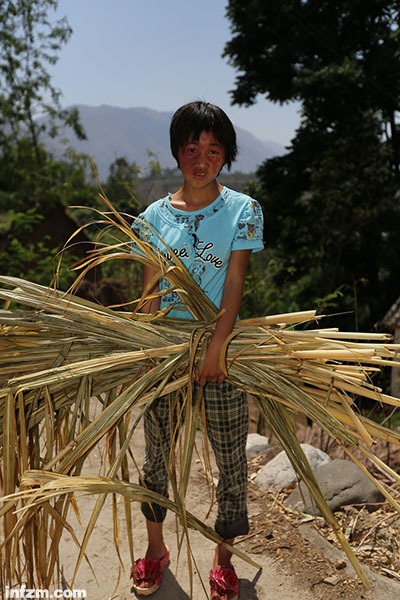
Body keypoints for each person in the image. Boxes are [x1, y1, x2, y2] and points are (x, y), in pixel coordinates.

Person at [130, 101, 264, 600]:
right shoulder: (152, 217)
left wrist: (217, 344)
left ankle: (223, 558)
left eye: (212, 149)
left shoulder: (242, 211)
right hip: (166, 352)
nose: (201, 158)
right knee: (156, 459)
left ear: (226, 154)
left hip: (220, 350)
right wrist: (143, 350)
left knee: (231, 461)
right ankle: (155, 550)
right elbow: (149, 292)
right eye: (192, 148)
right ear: (178, 152)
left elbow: (234, 281)